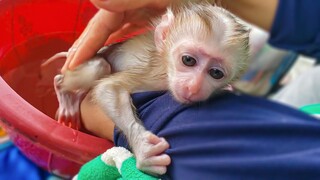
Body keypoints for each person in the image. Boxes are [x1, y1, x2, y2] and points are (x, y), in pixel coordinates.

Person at [66, 0, 320, 179]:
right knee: (93, 70)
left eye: (216, 73)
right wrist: (135, 133)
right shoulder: (157, 66)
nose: (193, 86)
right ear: (163, 36)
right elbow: (107, 89)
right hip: (101, 76)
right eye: (188, 61)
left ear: (232, 77)